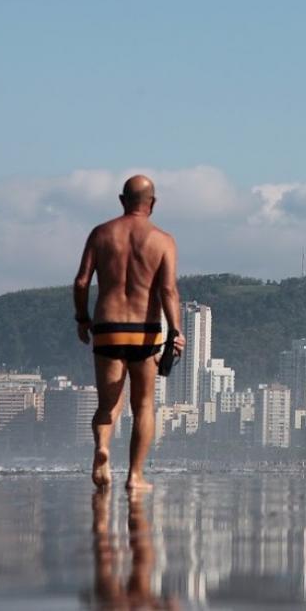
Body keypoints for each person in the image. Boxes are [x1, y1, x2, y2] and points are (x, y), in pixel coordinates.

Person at [72, 174, 186, 491]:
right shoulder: (163, 240)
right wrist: (175, 330)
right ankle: (135, 476)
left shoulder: (101, 234)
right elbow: (168, 291)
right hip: (145, 332)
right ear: (153, 203)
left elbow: (81, 282)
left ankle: (102, 448)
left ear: (122, 200)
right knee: (144, 406)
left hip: (107, 328)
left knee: (108, 405)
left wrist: (82, 317)